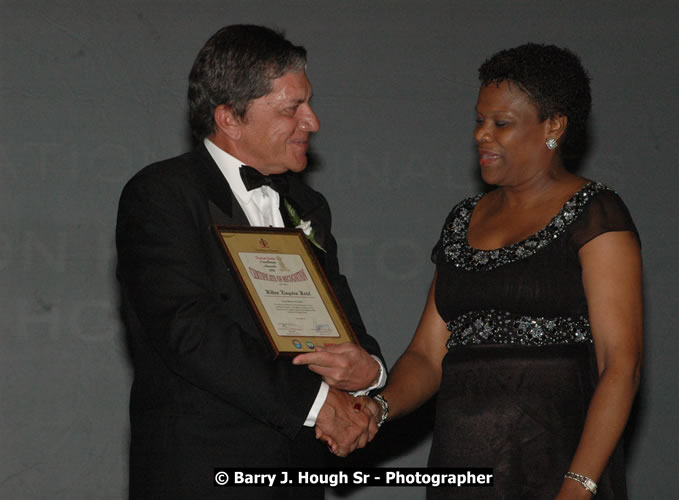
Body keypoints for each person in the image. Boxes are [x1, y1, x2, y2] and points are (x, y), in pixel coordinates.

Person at [360, 43, 642, 499]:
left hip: (558, 469)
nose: (481, 135)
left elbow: (620, 366)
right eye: (479, 120)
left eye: (501, 123)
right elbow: (428, 356)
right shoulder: (462, 219)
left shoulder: (595, 214)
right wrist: (378, 408)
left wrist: (579, 486)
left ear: (553, 126)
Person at [116, 25, 384, 499]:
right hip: (202, 473)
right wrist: (319, 403)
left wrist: (370, 374)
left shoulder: (309, 206)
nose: (313, 121)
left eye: (309, 102)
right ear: (229, 118)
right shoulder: (163, 195)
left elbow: (343, 326)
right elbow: (190, 330)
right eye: (291, 108)